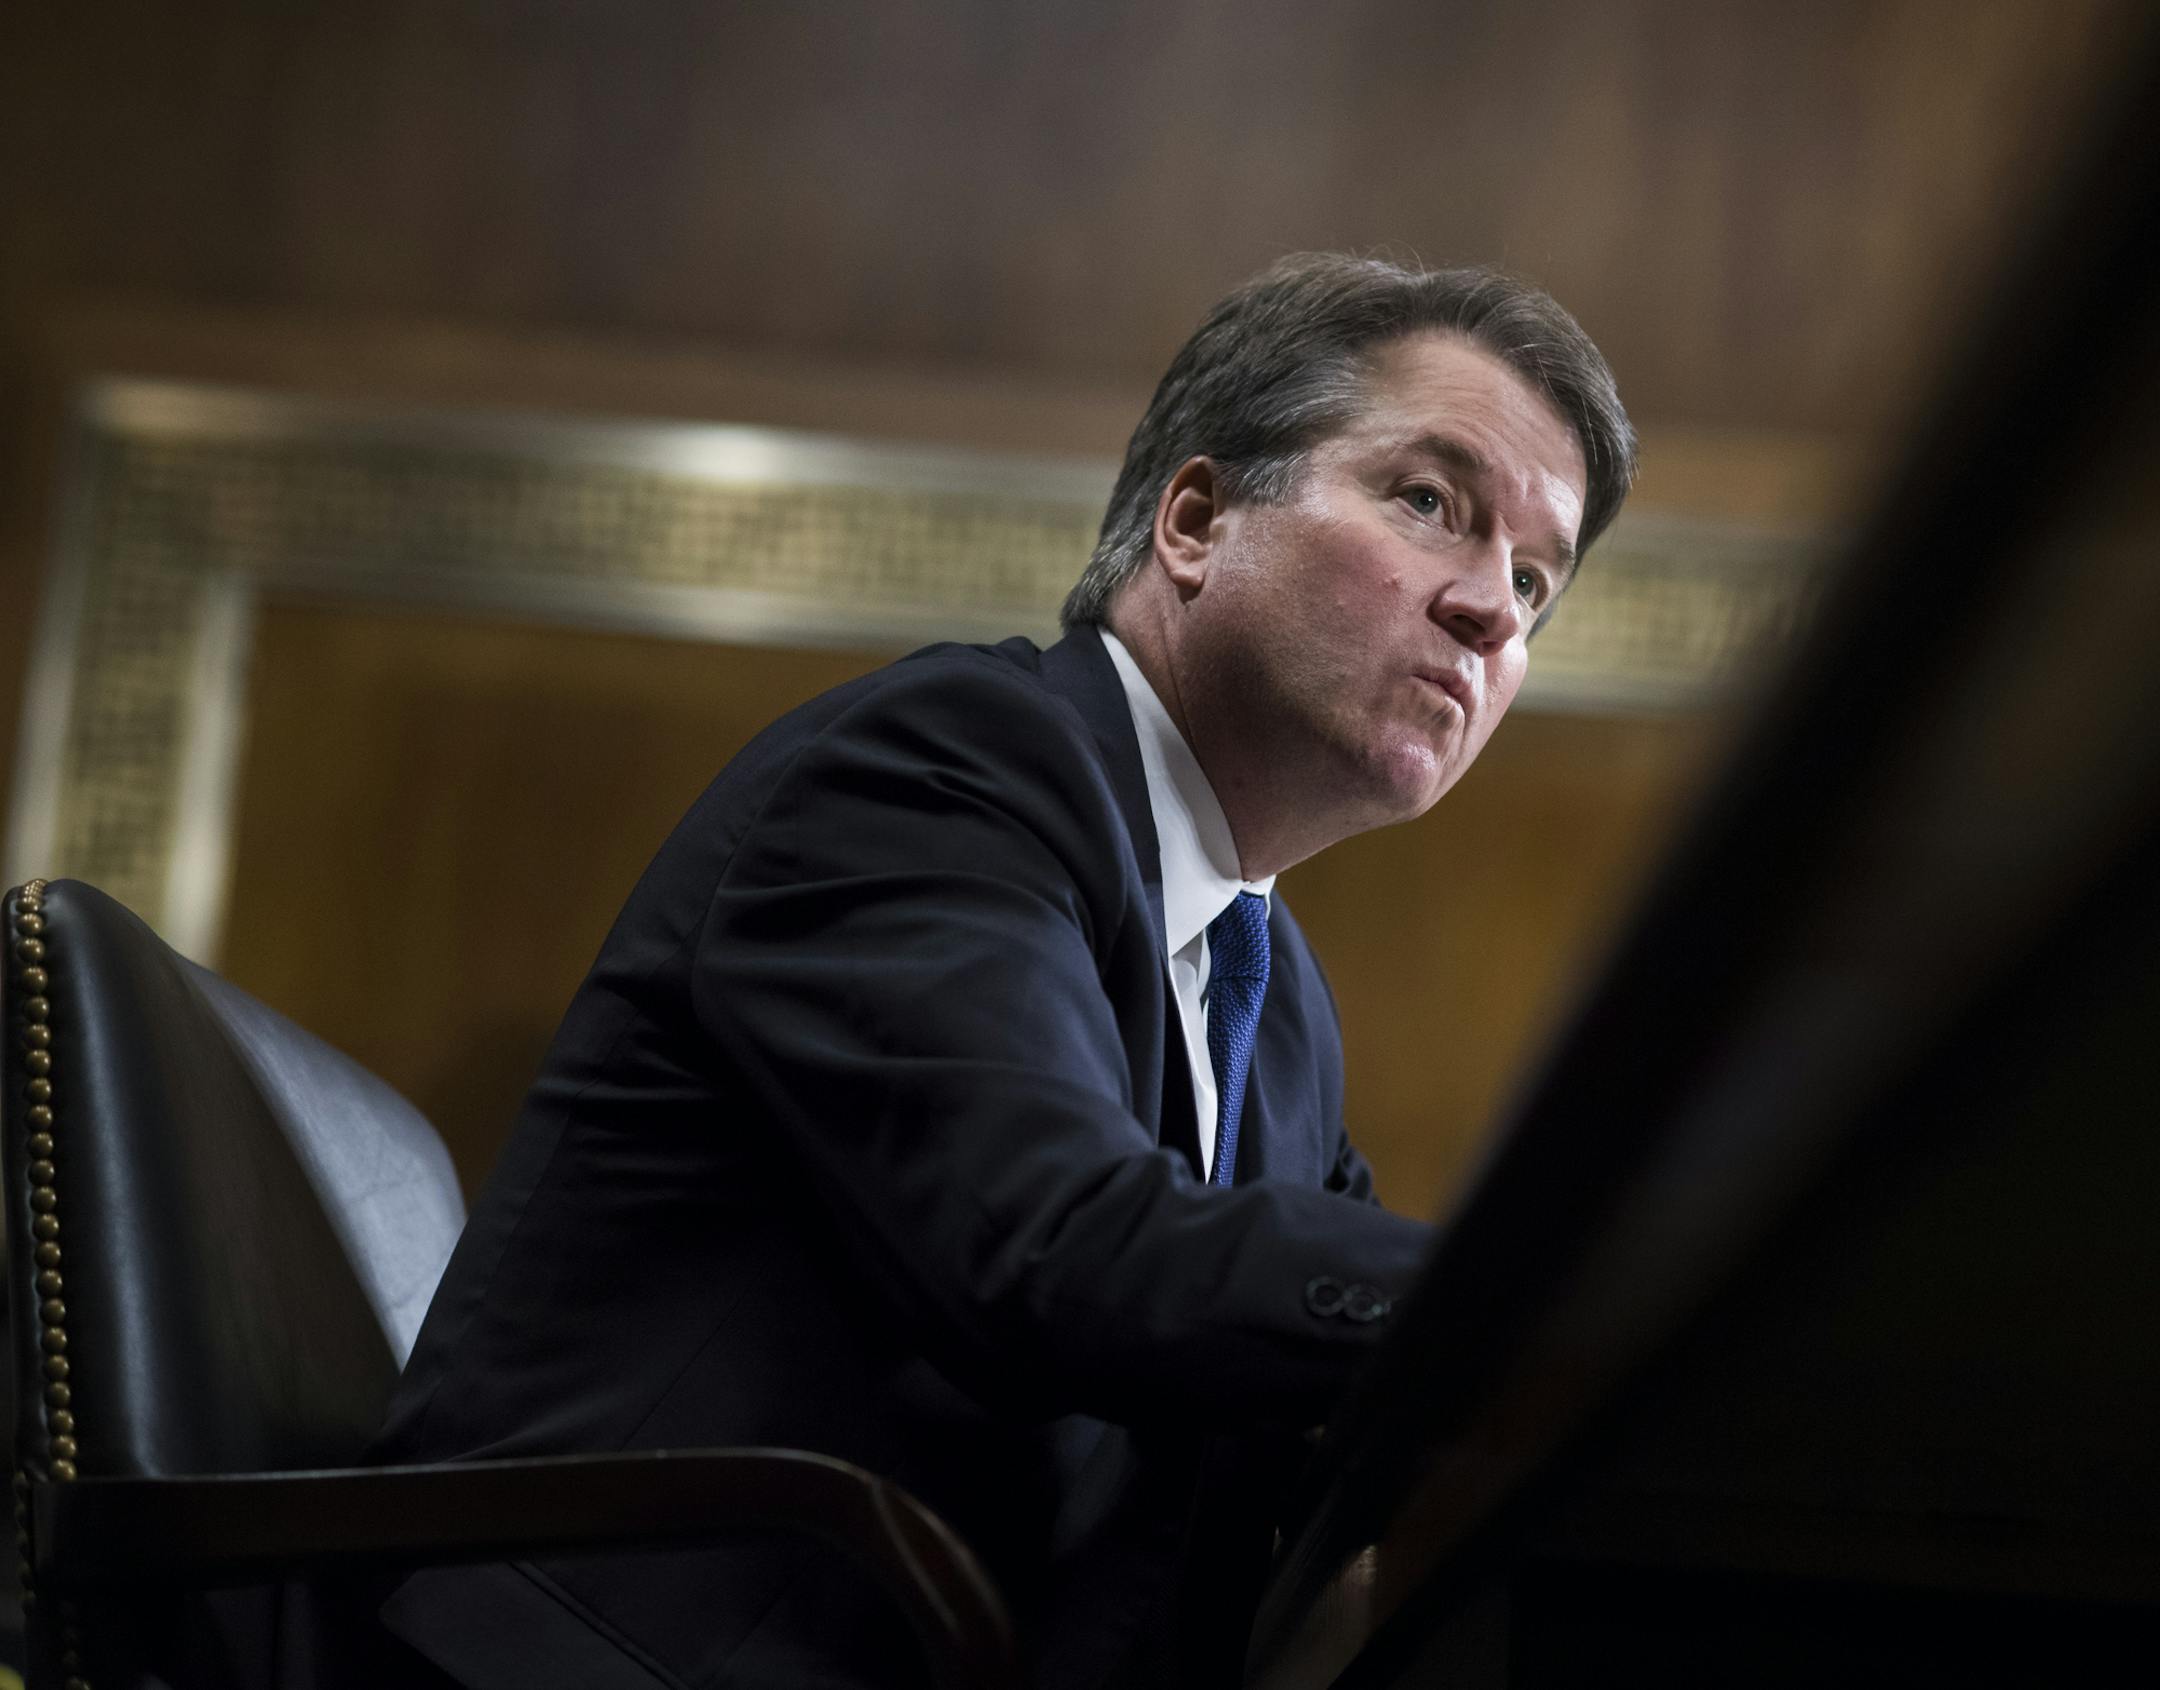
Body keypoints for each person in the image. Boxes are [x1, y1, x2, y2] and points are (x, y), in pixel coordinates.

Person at [370, 253, 1636, 1689]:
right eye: (1430, 503)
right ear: (1199, 519)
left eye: (1537, 581)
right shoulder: (945, 767)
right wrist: (1580, 1303)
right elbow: (1059, 1244)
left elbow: (1290, 1387)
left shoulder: (1273, 1010)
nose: (1492, 610)